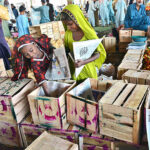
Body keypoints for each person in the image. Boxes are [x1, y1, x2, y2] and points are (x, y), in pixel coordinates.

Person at [61, 4, 106, 82]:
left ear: (77, 20)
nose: (68, 27)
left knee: (90, 90)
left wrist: (83, 62)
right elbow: (67, 51)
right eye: (66, 25)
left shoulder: (88, 33)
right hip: (75, 71)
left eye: (70, 24)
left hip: (88, 71)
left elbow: (98, 53)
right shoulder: (68, 34)